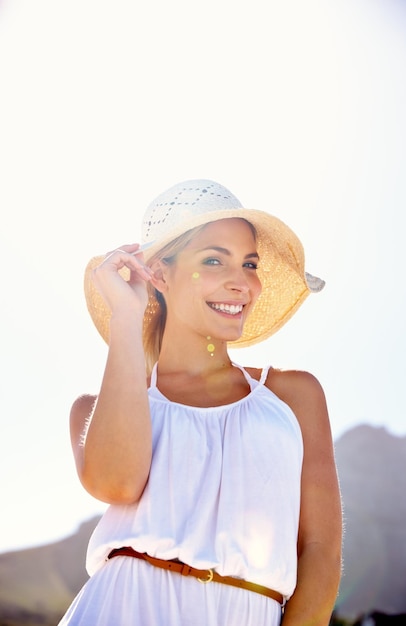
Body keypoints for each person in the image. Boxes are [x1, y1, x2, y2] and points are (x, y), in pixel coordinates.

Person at [59, 179, 342, 626]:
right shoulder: (92, 411)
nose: (242, 283)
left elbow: (320, 554)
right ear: (160, 275)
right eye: (214, 260)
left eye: (250, 264)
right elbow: (117, 484)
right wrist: (127, 319)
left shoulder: (293, 396)